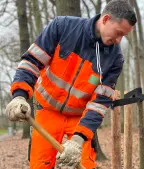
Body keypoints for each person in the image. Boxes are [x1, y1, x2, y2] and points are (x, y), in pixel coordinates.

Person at [4, 1, 136, 168]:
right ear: (106, 19)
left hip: (80, 119)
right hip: (47, 112)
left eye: (123, 36)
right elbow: (32, 62)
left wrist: (78, 140)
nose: (118, 40)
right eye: (118, 33)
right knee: (40, 164)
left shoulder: (115, 58)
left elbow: (100, 103)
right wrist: (19, 96)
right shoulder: (62, 27)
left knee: (85, 164)